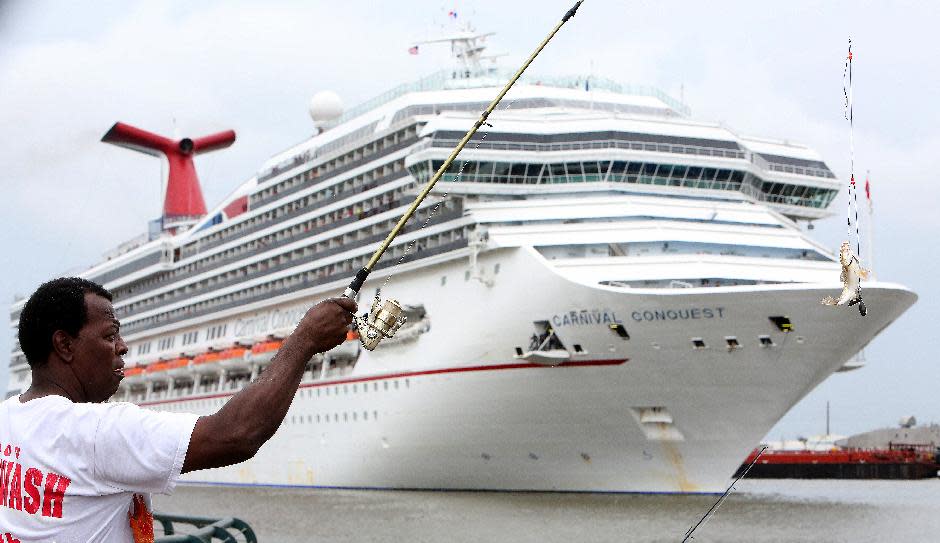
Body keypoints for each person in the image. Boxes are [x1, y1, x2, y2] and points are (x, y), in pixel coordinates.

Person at [1, 277, 356, 542]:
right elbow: (236, 435)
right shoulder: (98, 430)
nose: (122, 348)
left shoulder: (7, 417)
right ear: (64, 344)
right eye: (110, 336)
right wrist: (305, 339)